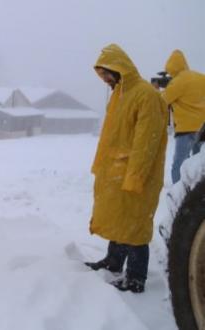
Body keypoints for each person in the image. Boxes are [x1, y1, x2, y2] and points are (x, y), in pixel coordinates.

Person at [85, 44, 168, 293]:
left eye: (108, 73)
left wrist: (135, 175)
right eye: (103, 74)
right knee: (121, 219)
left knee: (136, 224)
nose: (106, 79)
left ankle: (135, 277)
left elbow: (147, 141)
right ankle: (113, 261)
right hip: (116, 170)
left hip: (137, 171)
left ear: (121, 68)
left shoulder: (146, 95)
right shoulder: (120, 94)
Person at [159, 50, 205, 183]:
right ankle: (198, 193)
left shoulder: (178, 82)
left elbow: (162, 102)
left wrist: (158, 89)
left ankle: (178, 195)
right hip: (203, 129)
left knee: (179, 165)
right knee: (199, 165)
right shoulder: (201, 77)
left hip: (186, 130)